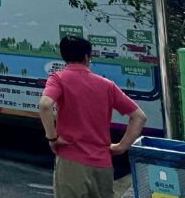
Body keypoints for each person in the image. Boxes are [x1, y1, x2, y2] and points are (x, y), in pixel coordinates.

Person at [39, 36, 147, 198]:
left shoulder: (58, 78)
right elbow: (139, 116)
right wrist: (121, 146)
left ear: (63, 56)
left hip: (71, 161)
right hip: (103, 164)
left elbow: (45, 105)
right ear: (86, 57)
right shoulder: (107, 85)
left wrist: (52, 138)